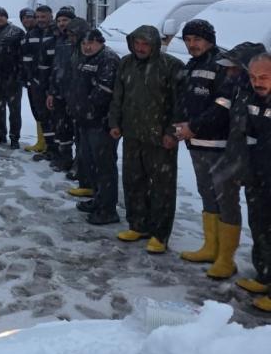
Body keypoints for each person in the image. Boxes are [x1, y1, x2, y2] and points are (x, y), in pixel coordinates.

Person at [173, 20, 241, 278]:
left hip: (220, 145)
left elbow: (222, 107)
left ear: (209, 39)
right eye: (188, 40)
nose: (192, 44)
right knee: (207, 194)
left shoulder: (221, 64)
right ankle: (210, 247)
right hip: (197, 143)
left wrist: (196, 126)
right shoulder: (193, 64)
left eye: (197, 39)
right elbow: (186, 99)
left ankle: (226, 258)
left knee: (227, 200)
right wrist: (181, 125)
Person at [109, 25, 184, 254]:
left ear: (154, 46)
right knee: (133, 182)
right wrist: (114, 123)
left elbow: (180, 104)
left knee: (162, 188)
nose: (140, 48)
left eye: (145, 44)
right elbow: (117, 96)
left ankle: (160, 235)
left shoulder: (171, 66)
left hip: (160, 139)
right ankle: (138, 225)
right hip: (132, 135)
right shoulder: (126, 63)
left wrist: (172, 132)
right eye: (137, 44)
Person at [222, 51, 271, 311]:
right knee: (260, 227)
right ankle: (264, 276)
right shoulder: (253, 98)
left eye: (264, 77)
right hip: (256, 176)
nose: (258, 82)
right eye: (253, 77)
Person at [69, 29, 120, 224]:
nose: (87, 47)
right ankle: (98, 200)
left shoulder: (108, 59)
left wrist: (88, 108)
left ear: (101, 43)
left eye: (91, 43)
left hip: (102, 122)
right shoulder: (84, 58)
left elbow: (104, 91)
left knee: (105, 165)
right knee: (92, 163)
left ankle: (108, 209)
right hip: (85, 120)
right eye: (84, 44)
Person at [46, 9, 82, 173]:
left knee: (79, 131)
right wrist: (52, 92)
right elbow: (55, 68)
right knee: (61, 128)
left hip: (76, 95)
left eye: (65, 20)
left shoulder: (80, 40)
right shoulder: (58, 40)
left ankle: (79, 164)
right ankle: (64, 158)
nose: (62, 23)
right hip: (59, 93)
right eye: (59, 20)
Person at [0, 7, 25, 149]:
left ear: (6, 17)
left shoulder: (17, 32)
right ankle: (0, 133)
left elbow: (23, 55)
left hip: (13, 77)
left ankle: (14, 137)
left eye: (2, 15)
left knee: (14, 110)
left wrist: (19, 74)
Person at [22, 5, 54, 154]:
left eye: (43, 17)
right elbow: (25, 56)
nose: (40, 20)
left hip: (53, 81)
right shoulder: (31, 34)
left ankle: (54, 147)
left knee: (54, 115)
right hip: (35, 81)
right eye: (38, 17)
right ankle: (41, 143)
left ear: (50, 17)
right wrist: (29, 77)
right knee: (39, 112)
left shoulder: (57, 33)